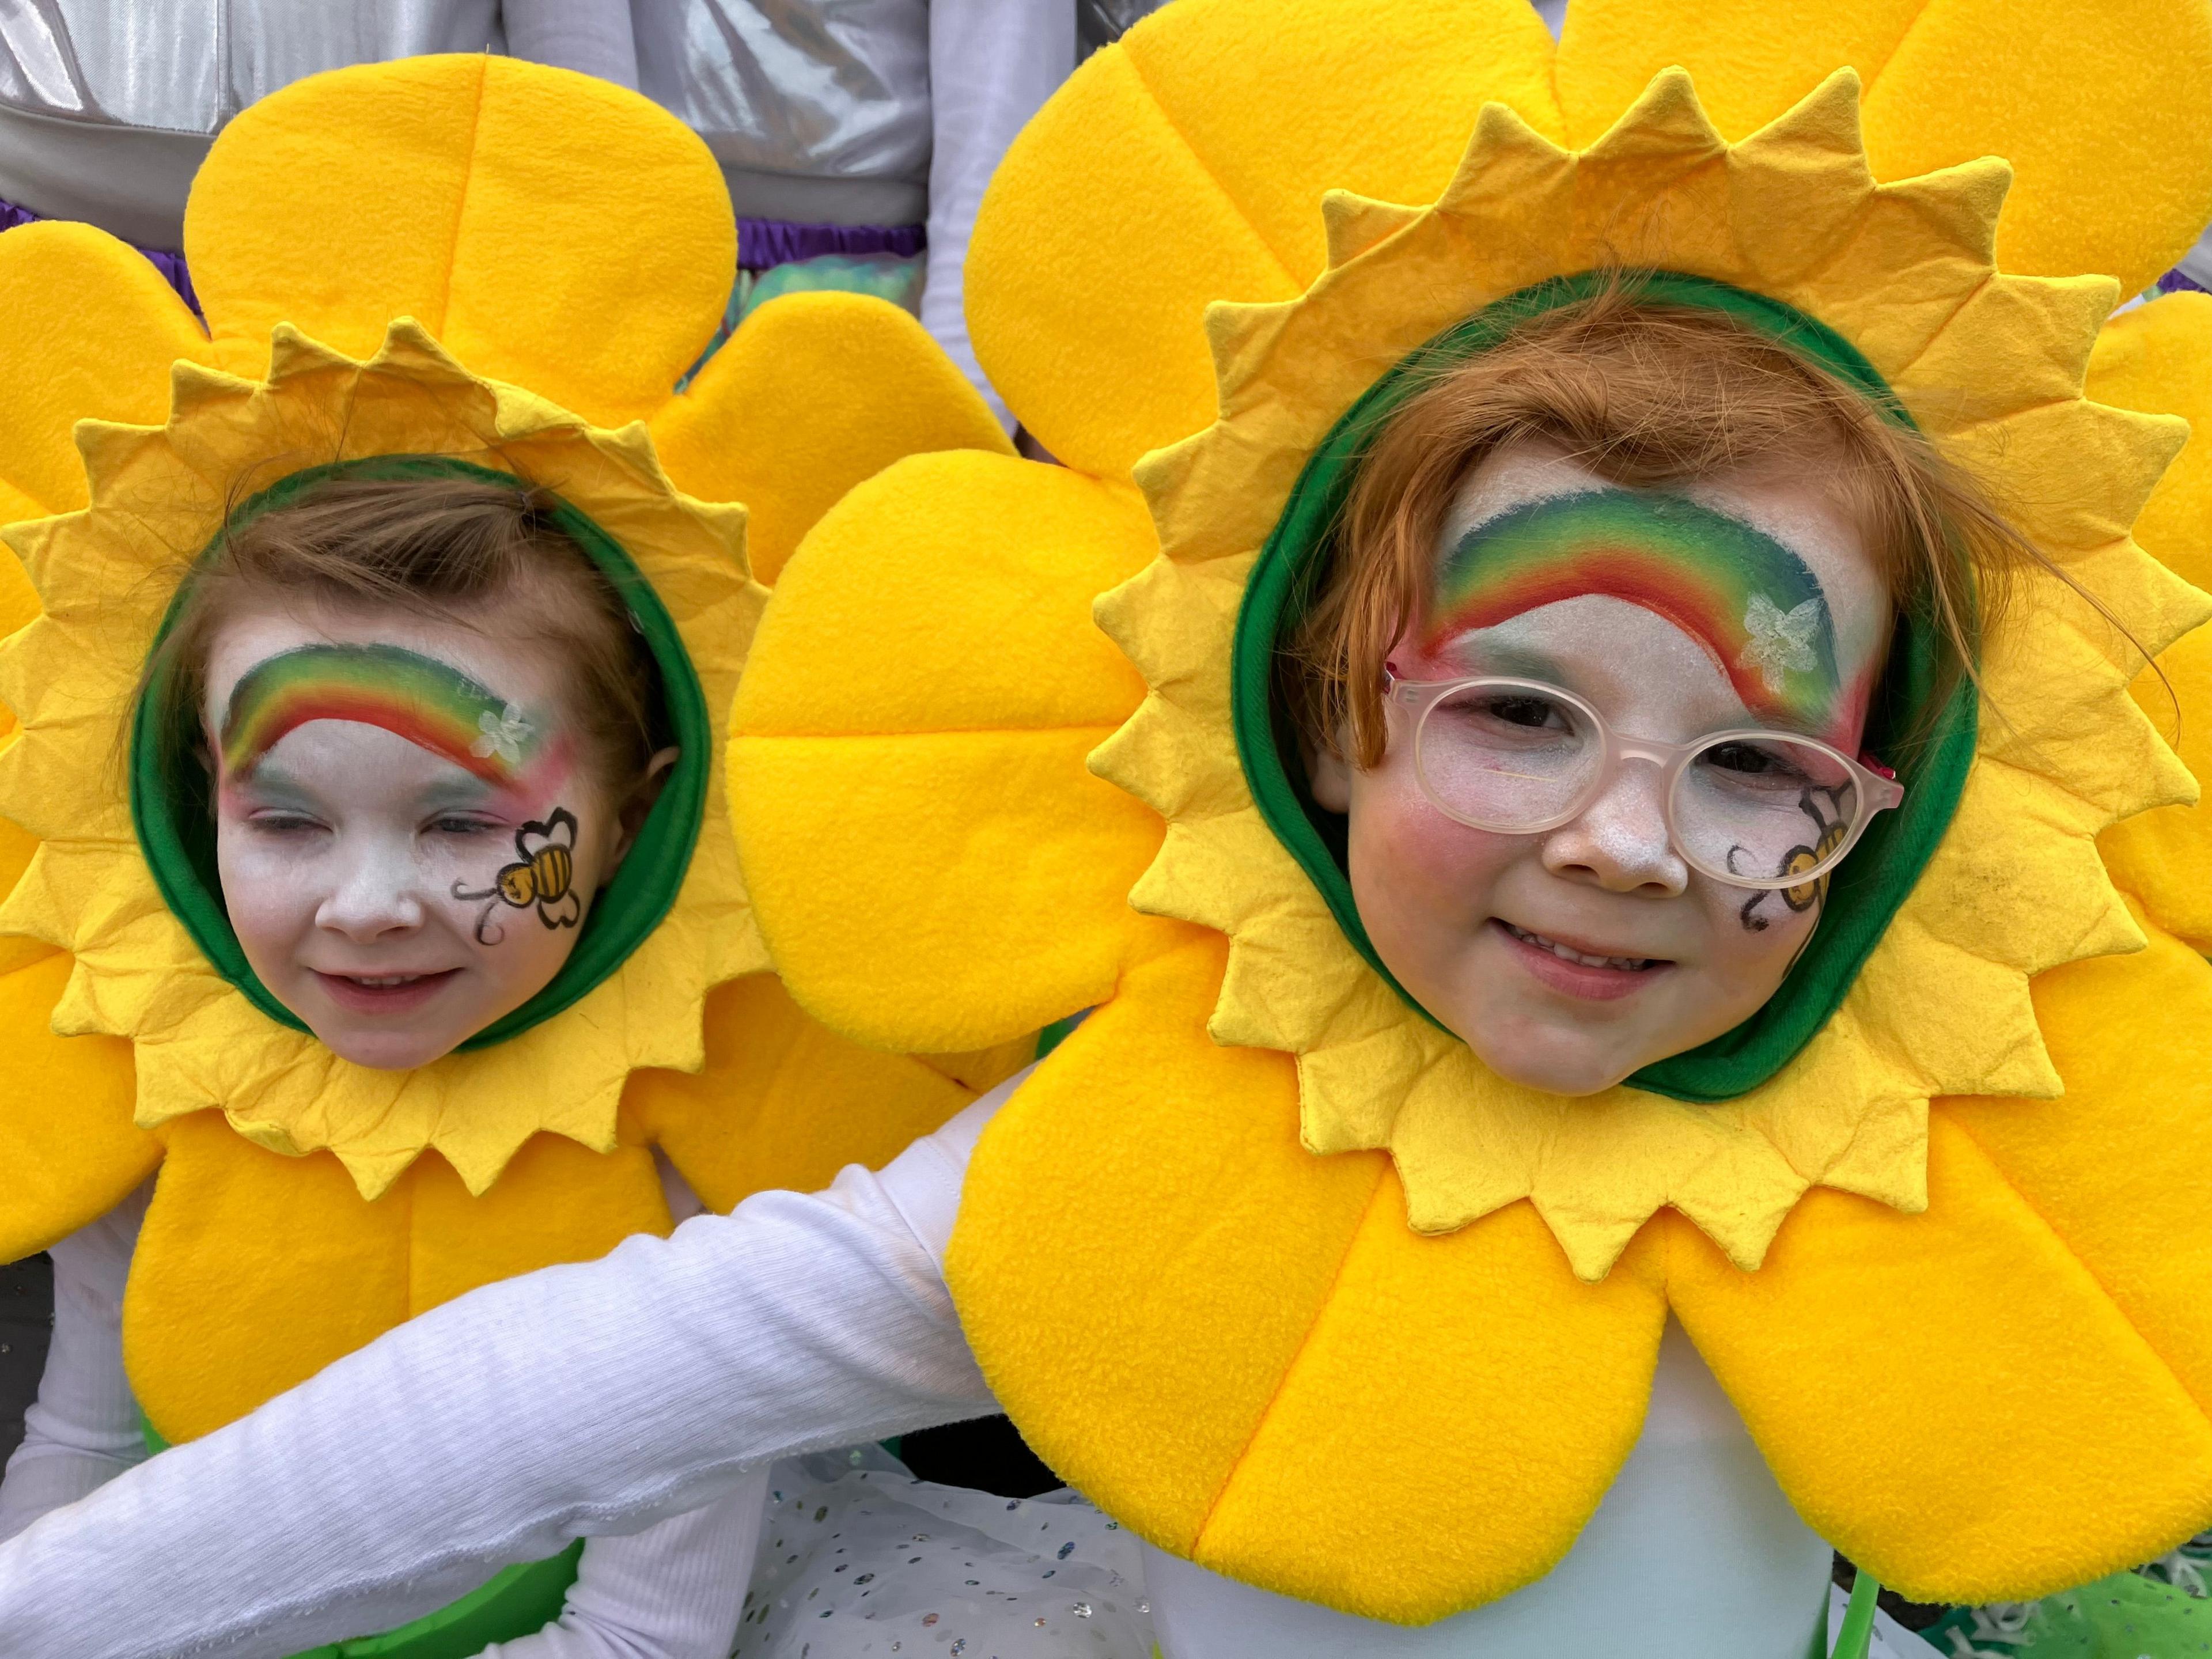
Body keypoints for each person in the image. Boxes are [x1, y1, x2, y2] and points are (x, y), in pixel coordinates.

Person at [7, 3, 2212, 1658]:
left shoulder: (1977, 1132)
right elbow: (538, 1401)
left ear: (1886, 811)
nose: (1630, 841)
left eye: (1756, 766)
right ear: (1332, 729)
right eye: (1520, 711)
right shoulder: (1149, 1176)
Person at [0, 49, 1021, 1659]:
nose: (370, 902)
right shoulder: (150, 1117)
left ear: (633, 818)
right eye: (285, 817)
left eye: (470, 819)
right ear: (198, 798)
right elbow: (78, 1463)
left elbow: (641, 1637)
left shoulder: (687, 1179)